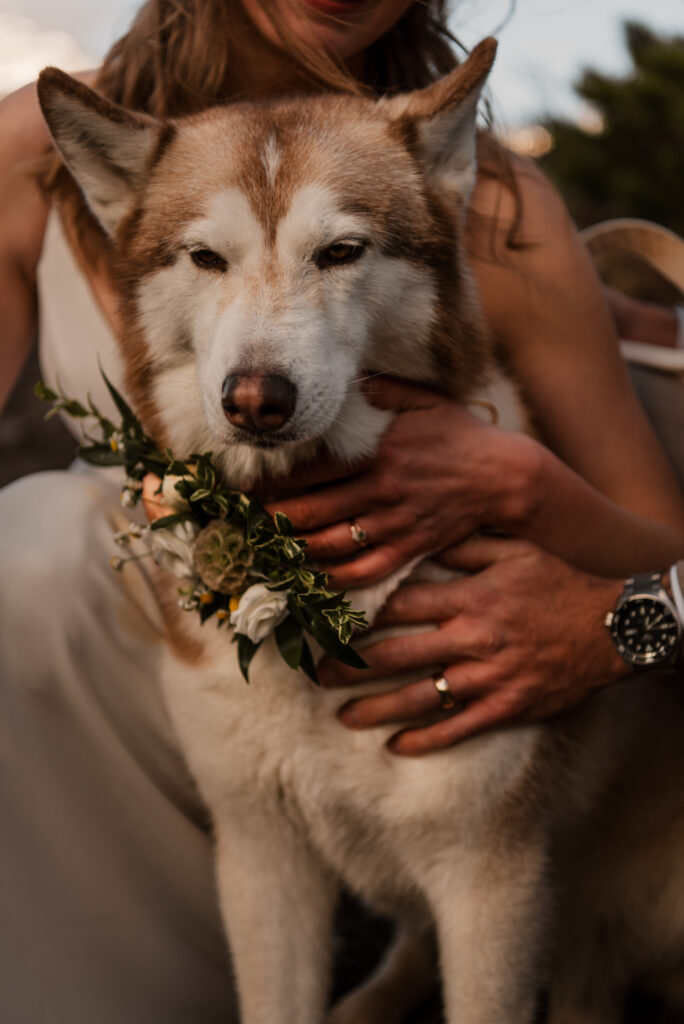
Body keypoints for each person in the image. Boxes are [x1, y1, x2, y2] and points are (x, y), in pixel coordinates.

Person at [1, 0, 684, 1019]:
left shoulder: (486, 194)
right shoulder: (36, 148)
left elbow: (666, 553)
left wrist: (539, 516)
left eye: (338, 253)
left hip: (422, 640)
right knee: (42, 542)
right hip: (127, 629)